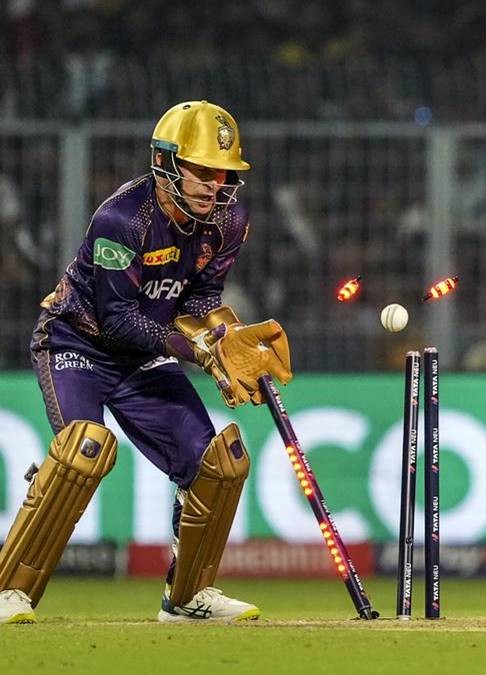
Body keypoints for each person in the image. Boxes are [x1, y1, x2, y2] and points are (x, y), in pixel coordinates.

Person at [0, 101, 291, 624]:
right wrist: (196, 351)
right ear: (165, 162)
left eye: (222, 174)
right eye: (201, 170)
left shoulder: (228, 220)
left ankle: (187, 597)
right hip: (77, 342)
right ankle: (8, 591)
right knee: (82, 451)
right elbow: (117, 321)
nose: (213, 186)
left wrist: (223, 339)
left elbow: (201, 297)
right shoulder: (122, 219)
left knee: (218, 464)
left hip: (142, 357)